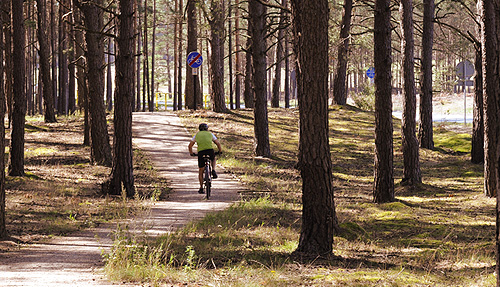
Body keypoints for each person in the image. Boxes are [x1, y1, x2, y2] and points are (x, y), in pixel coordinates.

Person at [188, 123, 222, 194]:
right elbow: (218, 143)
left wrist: (191, 153)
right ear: (207, 129)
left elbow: (190, 145)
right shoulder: (210, 134)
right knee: (213, 158)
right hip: (210, 151)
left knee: (201, 170)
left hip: (201, 152)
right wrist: (220, 151)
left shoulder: (197, 135)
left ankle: (201, 188)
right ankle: (213, 170)